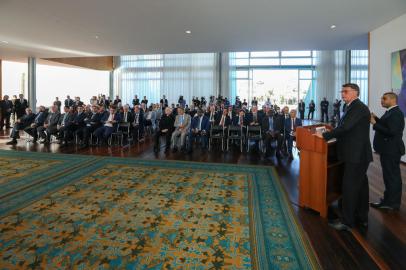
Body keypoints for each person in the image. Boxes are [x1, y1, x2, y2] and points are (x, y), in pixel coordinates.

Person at [320, 83, 372, 231]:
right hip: (357, 154)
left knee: (349, 187)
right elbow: (345, 127)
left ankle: (347, 222)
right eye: (342, 91)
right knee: (361, 187)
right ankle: (362, 217)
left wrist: (324, 135)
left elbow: (345, 127)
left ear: (355, 92)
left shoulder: (358, 107)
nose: (343, 94)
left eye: (346, 91)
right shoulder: (351, 106)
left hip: (356, 155)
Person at [370, 92, 405, 210]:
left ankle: (392, 204)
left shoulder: (396, 113)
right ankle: (388, 200)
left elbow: (391, 132)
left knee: (392, 177)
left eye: (384, 98)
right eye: (381, 98)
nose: (381, 100)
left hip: (392, 150)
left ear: (393, 99)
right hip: (388, 149)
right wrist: (377, 119)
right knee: (389, 176)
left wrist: (375, 123)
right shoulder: (391, 112)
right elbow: (388, 126)